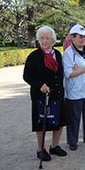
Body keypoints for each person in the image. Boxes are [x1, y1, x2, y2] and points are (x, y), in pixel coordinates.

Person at [23, 26, 67, 161]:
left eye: (47, 38)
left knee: (58, 121)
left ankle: (54, 146)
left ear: (53, 40)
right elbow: (27, 76)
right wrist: (40, 85)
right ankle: (40, 149)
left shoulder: (58, 54)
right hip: (40, 95)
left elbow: (60, 73)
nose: (44, 41)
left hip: (57, 93)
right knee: (41, 122)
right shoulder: (34, 56)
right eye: (41, 38)